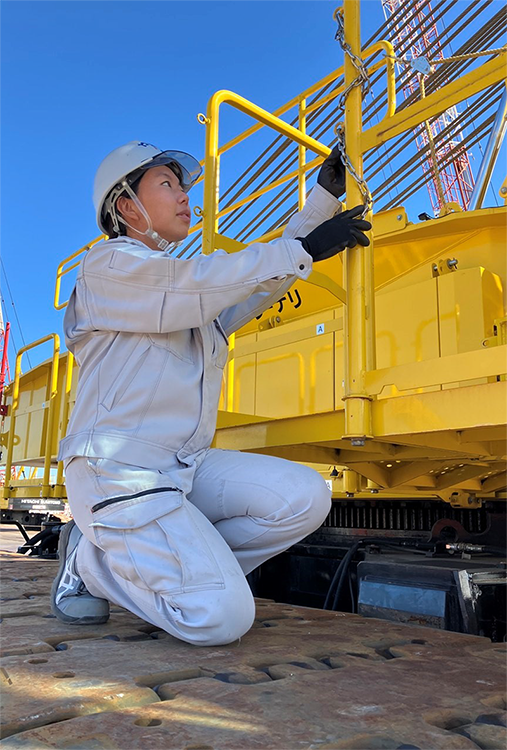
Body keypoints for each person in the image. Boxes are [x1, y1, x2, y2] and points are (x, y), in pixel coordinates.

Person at [51, 140, 371, 646]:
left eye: (183, 187)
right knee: (220, 619)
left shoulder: (184, 296)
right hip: (120, 473)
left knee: (304, 497)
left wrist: (320, 203)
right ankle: (95, 568)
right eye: (167, 184)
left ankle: (124, 559)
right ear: (125, 206)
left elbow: (255, 287)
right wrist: (304, 248)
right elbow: (200, 281)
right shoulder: (108, 269)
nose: (185, 198)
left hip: (180, 467)